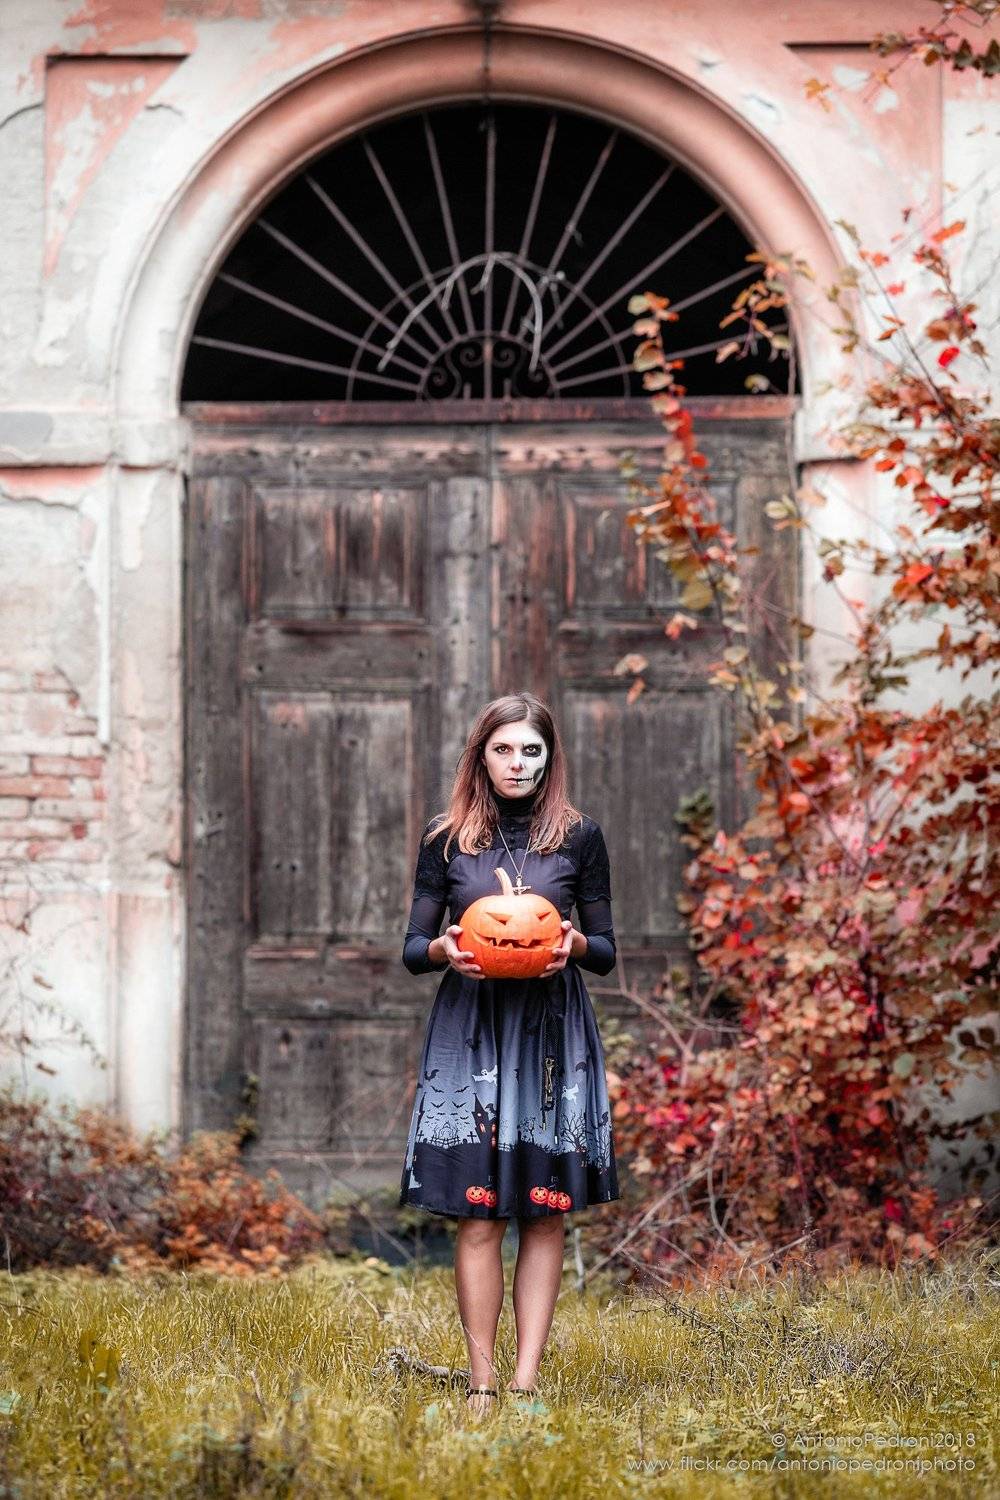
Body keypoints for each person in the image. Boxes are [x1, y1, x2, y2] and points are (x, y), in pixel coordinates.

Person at [399, 690, 620, 1417]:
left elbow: (608, 951)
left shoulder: (579, 837)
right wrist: (443, 950)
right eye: (504, 749)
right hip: (472, 1031)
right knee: (479, 1213)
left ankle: (525, 1384)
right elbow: (411, 949)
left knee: (545, 1211)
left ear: (549, 757)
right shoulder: (447, 839)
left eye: (531, 750)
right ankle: (481, 1383)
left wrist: (574, 945)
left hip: (551, 1035)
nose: (517, 763)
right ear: (481, 755)